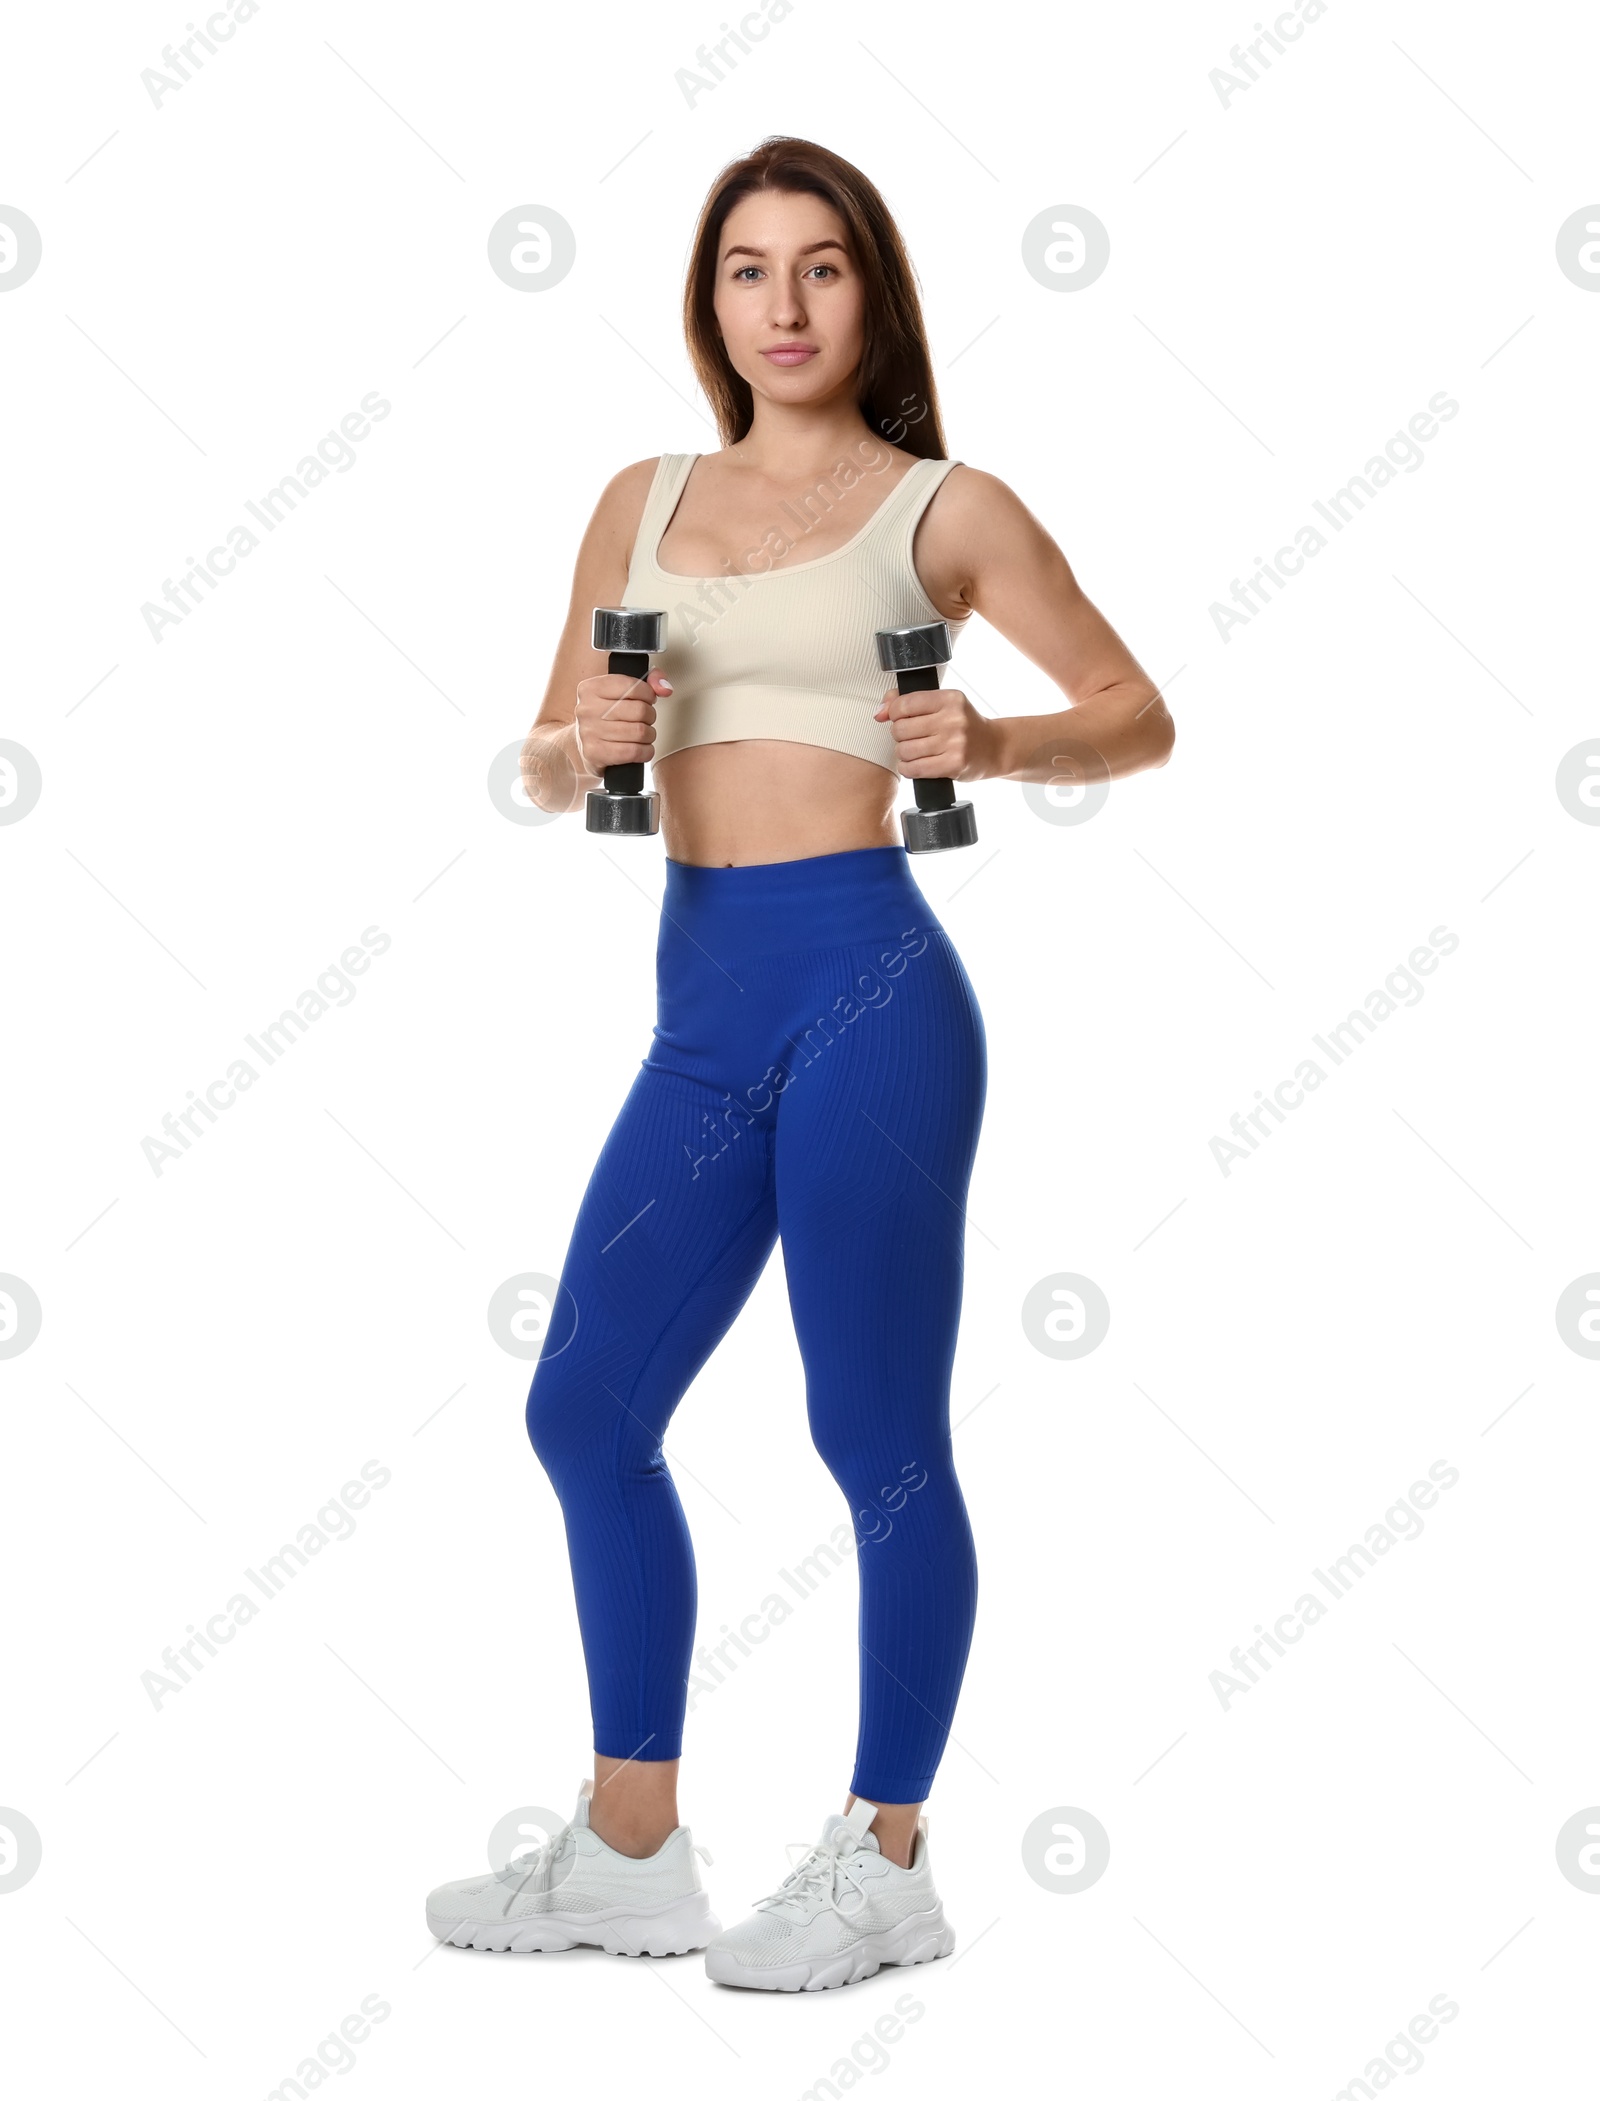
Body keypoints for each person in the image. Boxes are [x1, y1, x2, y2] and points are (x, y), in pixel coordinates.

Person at [426, 135, 1173, 1992]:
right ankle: (627, 1849)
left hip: (871, 992)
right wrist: (570, 736)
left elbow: (1139, 714)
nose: (783, 305)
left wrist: (989, 741)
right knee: (584, 1411)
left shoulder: (947, 504)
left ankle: (886, 1855)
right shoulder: (643, 494)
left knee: (874, 1437)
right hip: (699, 1011)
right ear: (711, 302)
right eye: (748, 270)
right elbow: (544, 757)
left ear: (872, 292)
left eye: (820, 268)